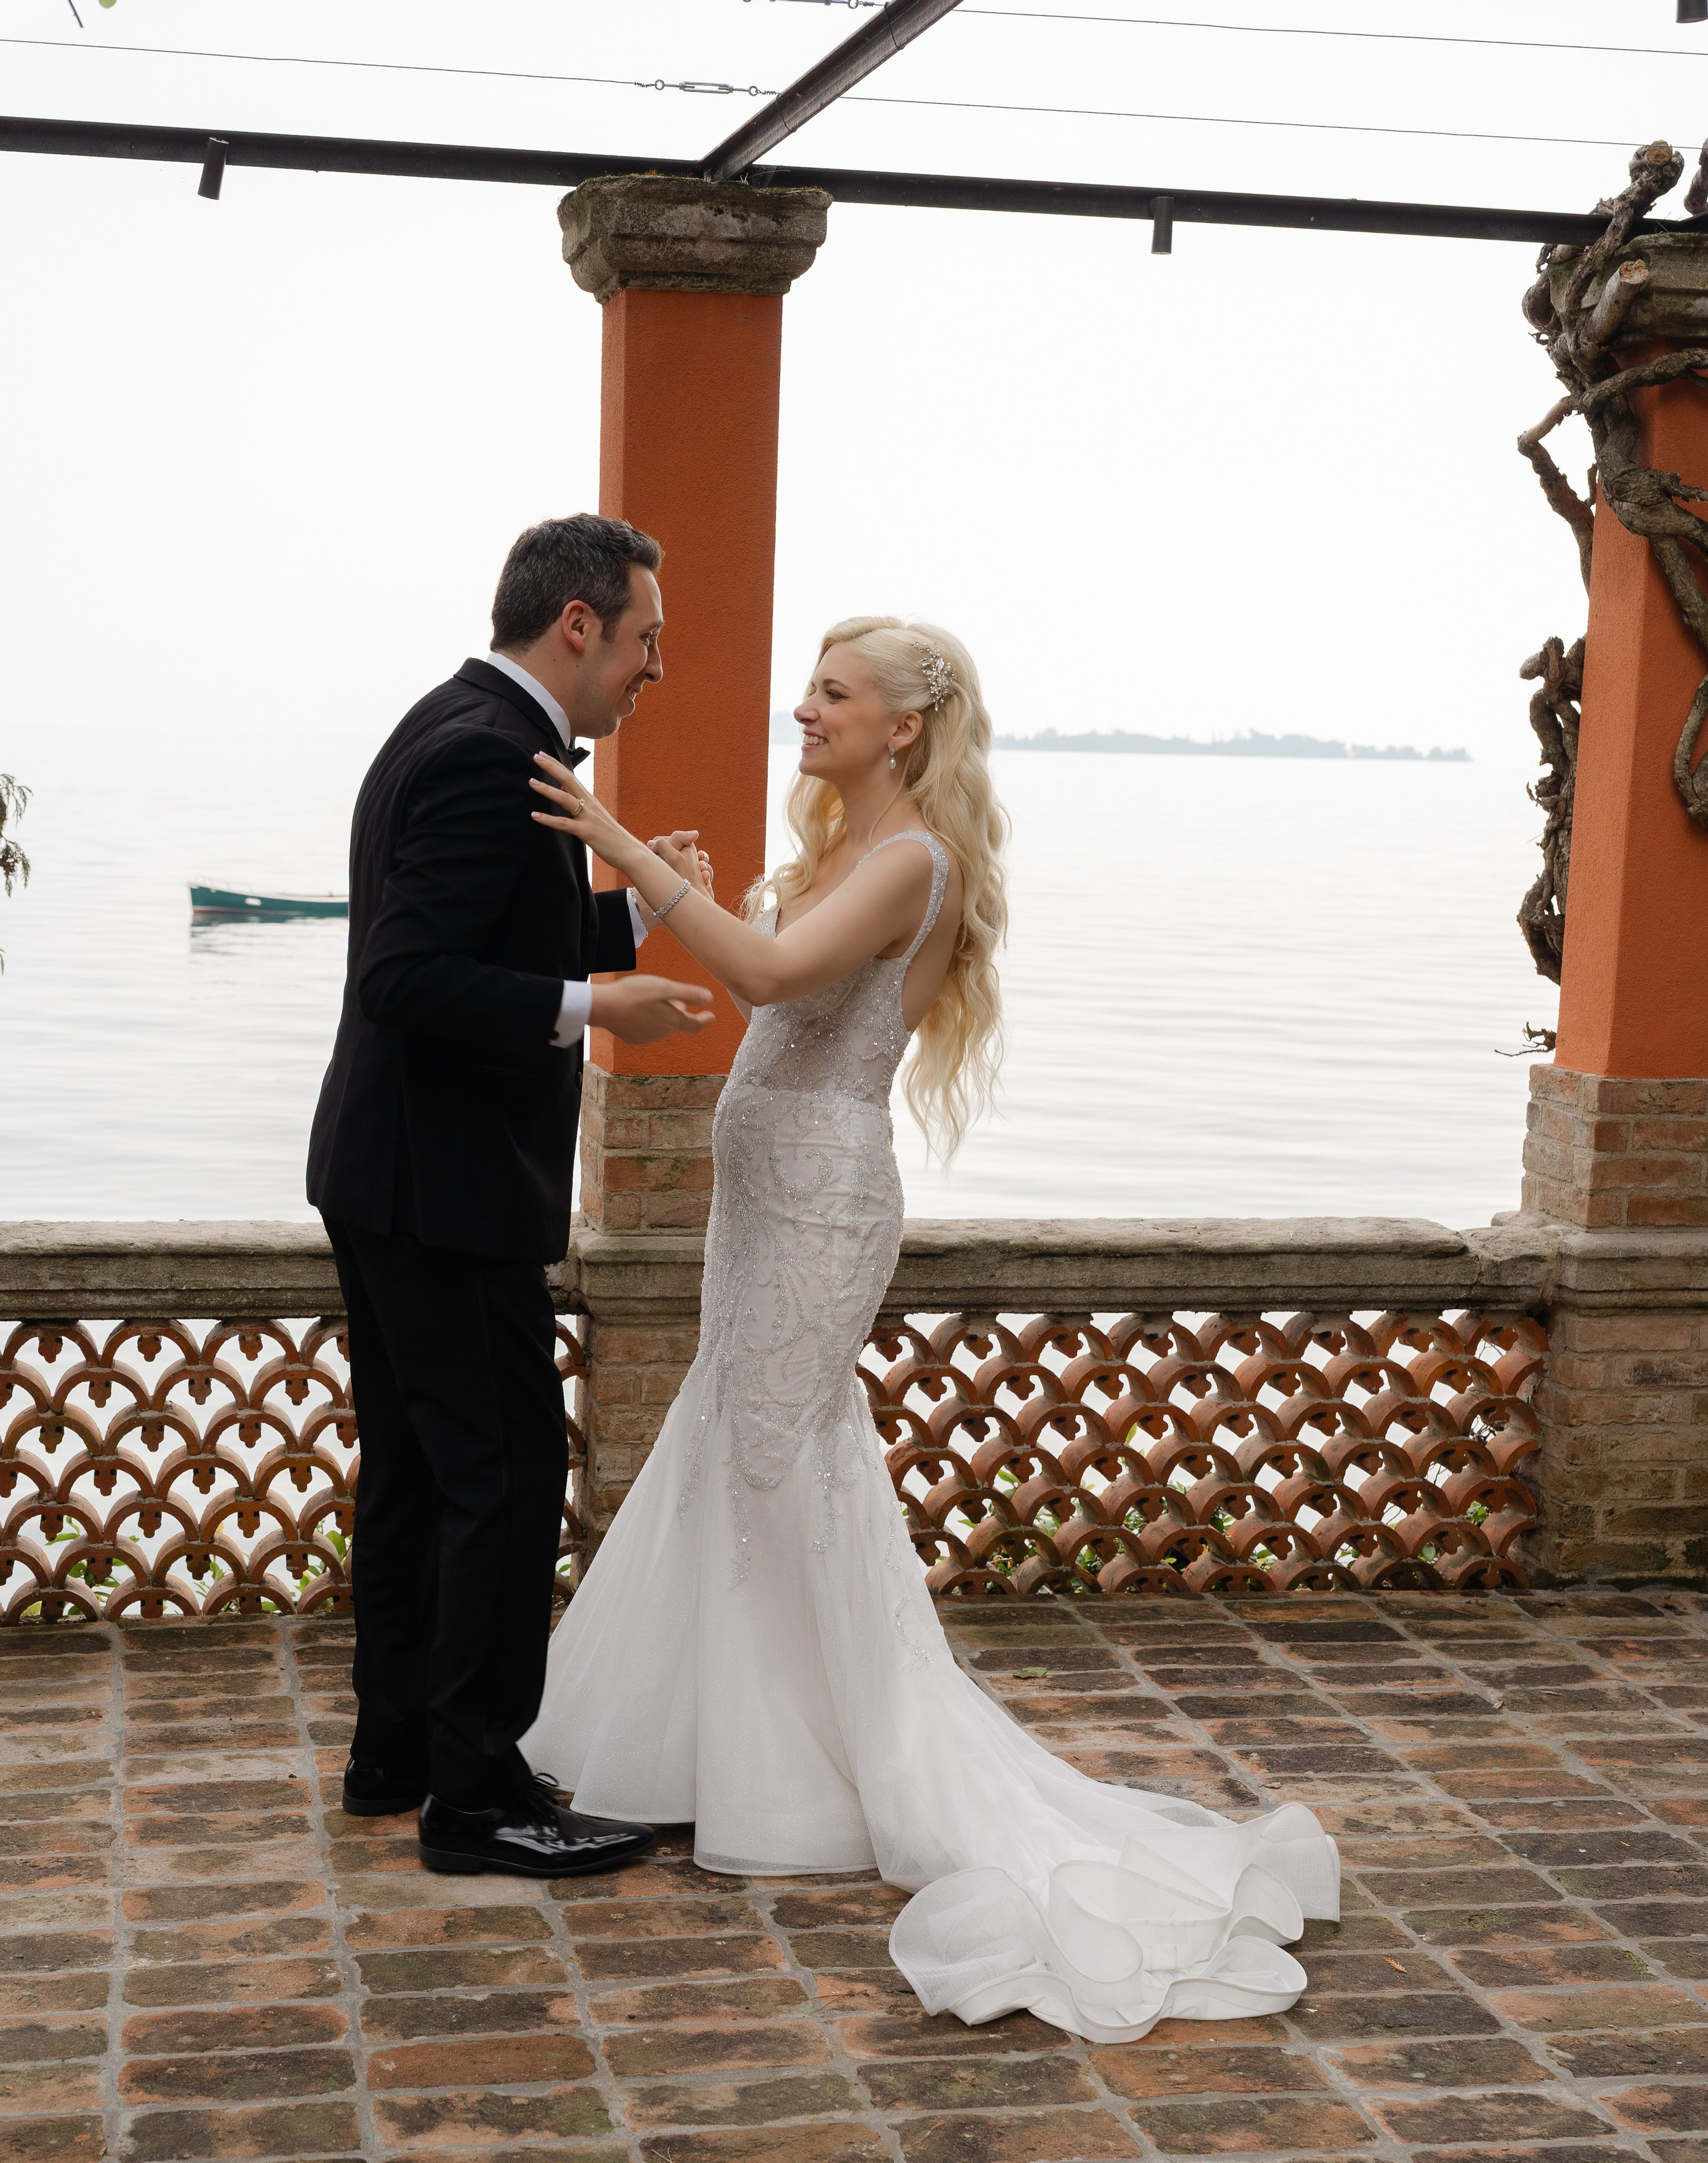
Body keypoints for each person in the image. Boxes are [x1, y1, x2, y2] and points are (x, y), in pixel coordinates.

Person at [520, 614, 1340, 2044]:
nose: (802, 711)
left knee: (783, 1460)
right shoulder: (840, 848)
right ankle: (734, 1750)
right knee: (737, 1449)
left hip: (823, 1201)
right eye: (807, 689)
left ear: (904, 725)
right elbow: (766, 983)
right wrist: (689, 896)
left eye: (831, 695)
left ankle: (834, 1770)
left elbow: (769, 986)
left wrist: (621, 846)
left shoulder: (909, 861)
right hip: (757, 1196)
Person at [307, 513, 715, 1881]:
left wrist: (624, 917)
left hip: (391, 1172)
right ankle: (478, 1797)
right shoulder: (490, 753)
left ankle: (401, 1751)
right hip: (448, 1187)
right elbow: (408, 981)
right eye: (646, 636)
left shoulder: (459, 723)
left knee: (423, 1476)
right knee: (505, 1478)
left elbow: (476, 937)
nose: (655, 665)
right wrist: (596, 1002)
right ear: (580, 624)